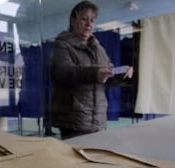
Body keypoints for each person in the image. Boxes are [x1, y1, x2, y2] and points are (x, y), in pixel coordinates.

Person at [50, 0, 133, 140]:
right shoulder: (62, 45)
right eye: (84, 19)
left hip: (99, 119)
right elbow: (63, 73)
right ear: (73, 20)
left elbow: (106, 76)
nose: (89, 24)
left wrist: (121, 75)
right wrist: (95, 74)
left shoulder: (98, 48)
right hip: (74, 120)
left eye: (92, 20)